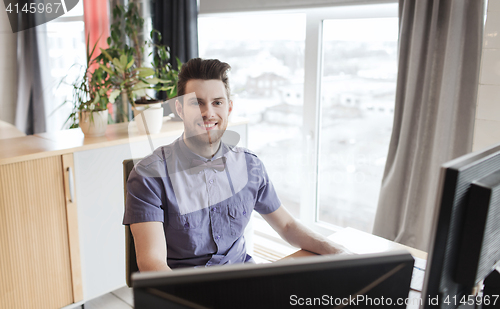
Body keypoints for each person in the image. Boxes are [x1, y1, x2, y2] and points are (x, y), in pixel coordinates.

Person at [123, 58, 349, 272]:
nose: (208, 113)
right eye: (197, 102)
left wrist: (338, 251)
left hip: (244, 283)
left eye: (217, 103)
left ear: (229, 108)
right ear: (180, 109)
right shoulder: (148, 175)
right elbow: (152, 264)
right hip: (183, 291)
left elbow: (287, 226)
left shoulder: (250, 166)